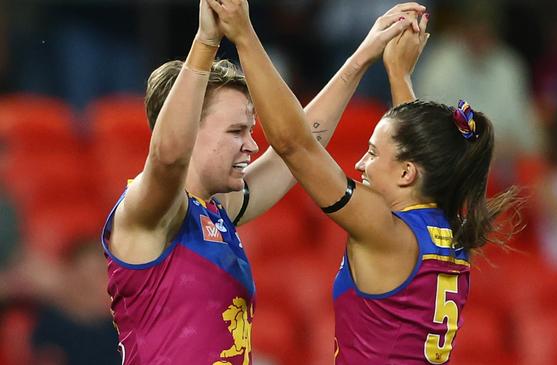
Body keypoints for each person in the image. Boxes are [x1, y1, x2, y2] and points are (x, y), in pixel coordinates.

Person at [100, 1, 426, 364]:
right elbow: (169, 156)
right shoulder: (148, 211)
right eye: (236, 131)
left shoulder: (218, 209)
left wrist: (361, 58)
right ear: (190, 130)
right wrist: (206, 41)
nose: (252, 145)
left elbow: (300, 148)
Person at [212, 0, 519, 363]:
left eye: (372, 153)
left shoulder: (384, 229)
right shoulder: (450, 227)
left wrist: (245, 36)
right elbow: (417, 155)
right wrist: (399, 75)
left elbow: (294, 146)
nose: (360, 164)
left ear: (407, 174)